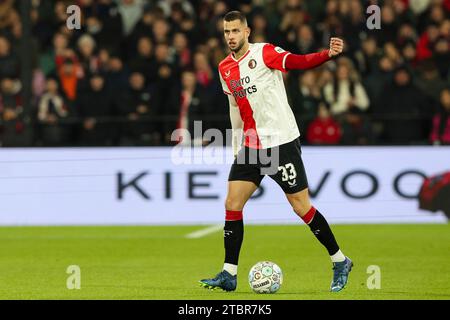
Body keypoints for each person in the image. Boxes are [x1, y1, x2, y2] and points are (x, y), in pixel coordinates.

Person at [199, 11, 352, 293]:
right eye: (226, 32)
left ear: (247, 32)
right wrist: (236, 146)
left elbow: (296, 61)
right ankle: (229, 273)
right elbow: (235, 107)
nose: (230, 36)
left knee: (300, 206)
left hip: (280, 142)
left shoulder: (265, 52)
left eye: (235, 31)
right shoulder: (224, 68)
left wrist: (326, 55)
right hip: (251, 146)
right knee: (232, 204)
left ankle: (340, 260)